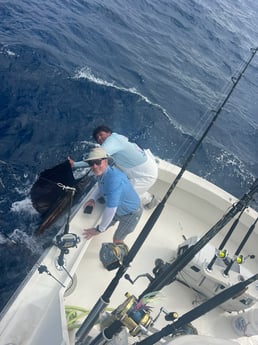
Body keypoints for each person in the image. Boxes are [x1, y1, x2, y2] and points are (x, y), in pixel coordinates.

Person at [68, 125, 158, 208]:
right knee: (109, 175)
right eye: (97, 138)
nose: (99, 138)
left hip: (145, 175)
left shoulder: (112, 140)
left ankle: (149, 200)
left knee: (122, 198)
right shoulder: (116, 138)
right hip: (139, 167)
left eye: (101, 134)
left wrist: (75, 164)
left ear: (109, 133)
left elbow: (96, 158)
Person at [82, 147, 142, 244]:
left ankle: (120, 257)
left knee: (117, 240)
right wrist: (92, 199)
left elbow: (111, 209)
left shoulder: (114, 180)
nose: (94, 166)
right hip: (119, 210)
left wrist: (99, 230)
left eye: (97, 162)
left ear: (106, 161)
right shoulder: (104, 172)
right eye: (91, 163)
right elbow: (100, 185)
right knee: (104, 224)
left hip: (130, 214)